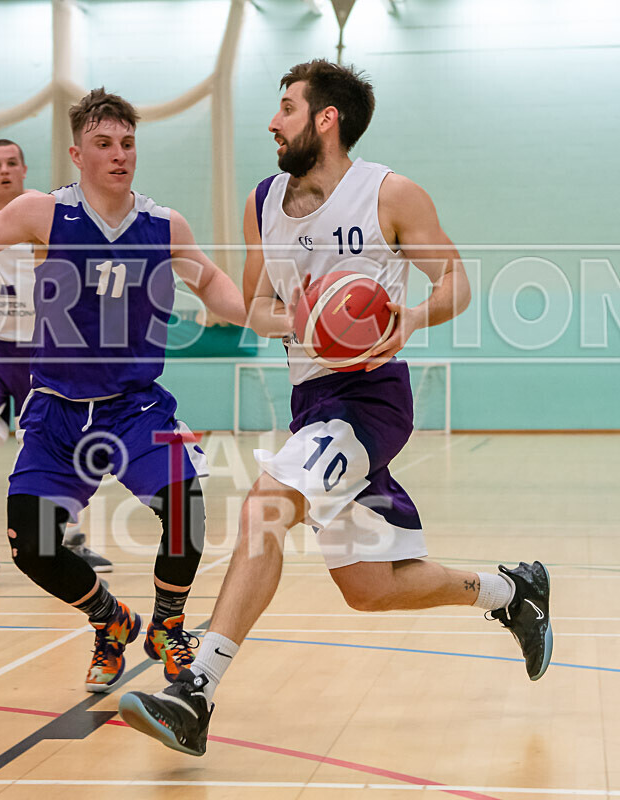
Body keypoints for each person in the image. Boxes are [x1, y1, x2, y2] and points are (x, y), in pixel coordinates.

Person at [118, 59, 553, 756]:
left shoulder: (388, 194)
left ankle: (195, 691)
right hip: (310, 397)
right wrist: (295, 320)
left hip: (370, 397)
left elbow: (457, 281)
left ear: (327, 119)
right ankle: (510, 592)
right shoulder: (262, 200)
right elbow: (256, 305)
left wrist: (409, 318)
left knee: (266, 504)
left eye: (286, 107)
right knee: (371, 589)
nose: (271, 120)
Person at [0, 90, 247, 688]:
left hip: (136, 406)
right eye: (104, 144)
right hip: (58, 411)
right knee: (30, 545)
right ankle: (110, 620)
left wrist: (273, 318)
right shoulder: (42, 212)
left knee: (187, 513)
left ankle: (168, 627)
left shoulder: (163, 224)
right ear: (78, 153)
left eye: (127, 144)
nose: (119, 155)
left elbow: (216, 288)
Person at [0, 139, 112, 590]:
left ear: (24, 169)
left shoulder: (44, 211)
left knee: (59, 442)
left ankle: (65, 535)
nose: (5, 170)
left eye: (12, 163)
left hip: (40, 344)